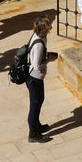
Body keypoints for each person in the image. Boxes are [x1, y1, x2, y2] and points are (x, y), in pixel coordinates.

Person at [25, 14, 53, 142]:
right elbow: (36, 65)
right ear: (43, 29)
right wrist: (49, 60)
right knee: (35, 105)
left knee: (39, 100)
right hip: (34, 78)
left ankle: (36, 125)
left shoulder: (39, 37)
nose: (50, 28)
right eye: (48, 27)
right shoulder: (39, 44)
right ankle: (33, 134)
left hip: (37, 79)